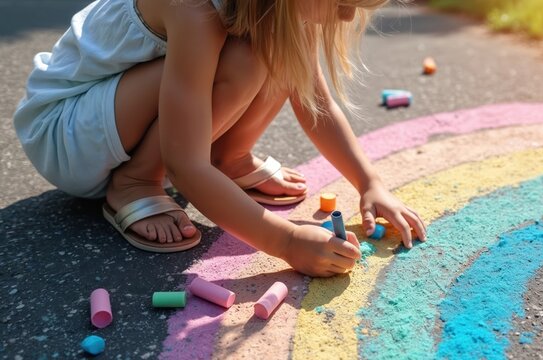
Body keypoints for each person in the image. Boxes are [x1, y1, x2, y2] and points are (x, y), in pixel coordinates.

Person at [13, 0, 427, 277]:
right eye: (343, 2)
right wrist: (285, 241)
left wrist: (369, 183)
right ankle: (136, 180)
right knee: (248, 58)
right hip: (66, 134)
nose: (343, 18)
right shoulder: (193, 8)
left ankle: (230, 157)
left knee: (276, 49)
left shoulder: (276, 7)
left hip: (114, 123)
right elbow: (185, 166)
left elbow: (314, 102)